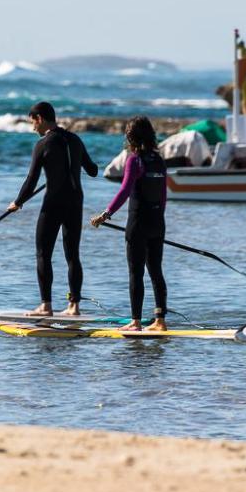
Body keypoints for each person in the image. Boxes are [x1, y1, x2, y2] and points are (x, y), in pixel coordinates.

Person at [7, 101, 98, 316]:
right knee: (72, 255)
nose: (33, 128)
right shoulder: (75, 139)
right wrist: (71, 167)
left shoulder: (42, 144)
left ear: (39, 118)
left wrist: (18, 202)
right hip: (76, 201)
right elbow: (93, 170)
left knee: (42, 253)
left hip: (54, 203)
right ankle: (74, 306)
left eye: (33, 123)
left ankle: (46, 305)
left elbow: (31, 180)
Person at [90, 116, 168, 331]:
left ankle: (135, 322)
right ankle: (160, 321)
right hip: (157, 222)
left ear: (131, 136)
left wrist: (105, 214)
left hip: (139, 222)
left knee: (136, 273)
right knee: (156, 271)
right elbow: (163, 196)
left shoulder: (135, 159)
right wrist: (158, 220)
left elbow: (124, 190)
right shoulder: (159, 160)